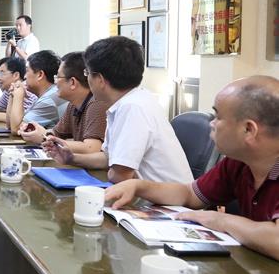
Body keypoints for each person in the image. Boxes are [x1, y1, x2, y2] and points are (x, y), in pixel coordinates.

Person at [105, 75, 279, 259]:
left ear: (249, 130)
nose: (212, 124)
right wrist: (139, 186)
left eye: (218, 117)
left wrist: (221, 220)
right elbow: (190, 194)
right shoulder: (238, 163)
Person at [45, 36, 192, 184]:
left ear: (100, 79)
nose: (87, 79)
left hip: (163, 198)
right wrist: (71, 158)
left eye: (87, 73)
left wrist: (111, 170)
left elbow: (120, 175)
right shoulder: (129, 101)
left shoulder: (132, 108)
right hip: (145, 193)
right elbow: (108, 158)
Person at [19, 51, 106, 154]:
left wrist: (44, 138)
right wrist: (38, 132)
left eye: (58, 77)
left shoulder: (96, 103)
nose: (55, 82)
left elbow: (92, 148)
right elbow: (56, 133)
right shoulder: (73, 105)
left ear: (72, 82)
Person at [6, 50, 67, 133]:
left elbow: (17, 129)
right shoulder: (47, 94)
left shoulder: (50, 99)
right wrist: (12, 95)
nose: (24, 76)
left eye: (27, 71)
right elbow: (10, 125)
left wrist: (18, 96)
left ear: (40, 75)